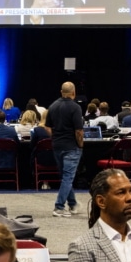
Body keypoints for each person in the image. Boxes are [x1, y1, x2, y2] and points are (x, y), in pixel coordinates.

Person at [45, 82, 85, 218]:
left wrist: (56, 137)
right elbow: (79, 130)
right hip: (71, 147)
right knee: (68, 177)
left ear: (61, 92)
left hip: (57, 146)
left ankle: (73, 204)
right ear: (73, 93)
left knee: (65, 177)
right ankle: (59, 207)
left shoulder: (53, 106)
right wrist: (80, 145)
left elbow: (47, 127)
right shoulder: (75, 107)